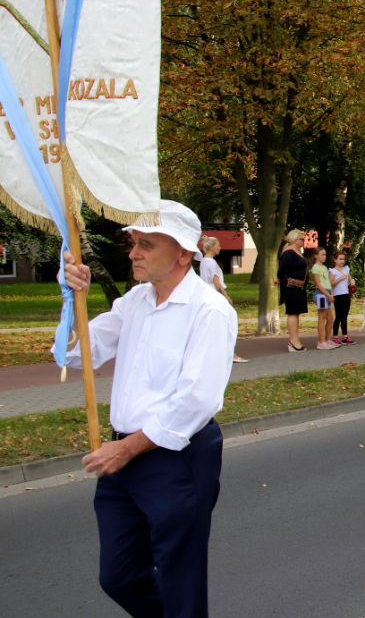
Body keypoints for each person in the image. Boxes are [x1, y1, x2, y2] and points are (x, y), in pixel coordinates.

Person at [58, 200, 237, 618]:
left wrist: (125, 449)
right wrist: (72, 299)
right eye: (133, 242)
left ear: (183, 254)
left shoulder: (210, 310)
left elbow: (196, 400)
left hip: (177, 459)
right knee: (119, 577)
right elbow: (76, 354)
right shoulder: (136, 300)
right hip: (123, 458)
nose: (133, 252)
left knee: (180, 583)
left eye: (145, 244)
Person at [198, 236, 247, 363]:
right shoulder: (211, 263)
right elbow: (217, 283)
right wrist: (226, 297)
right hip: (215, 295)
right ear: (211, 247)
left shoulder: (203, 261)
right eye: (218, 245)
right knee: (229, 321)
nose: (220, 248)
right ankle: (230, 354)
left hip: (206, 295)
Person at [278, 229, 308, 352]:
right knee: (293, 312)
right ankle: (293, 341)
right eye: (302, 239)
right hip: (291, 286)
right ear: (295, 240)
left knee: (296, 312)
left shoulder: (297, 251)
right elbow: (281, 270)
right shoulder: (289, 252)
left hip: (298, 287)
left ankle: (295, 340)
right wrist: (280, 279)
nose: (304, 241)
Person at [307, 247, 338, 350]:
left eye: (325, 255)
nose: (324, 257)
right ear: (316, 256)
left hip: (328, 292)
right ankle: (321, 341)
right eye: (322, 255)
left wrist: (331, 293)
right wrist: (328, 295)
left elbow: (328, 282)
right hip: (321, 293)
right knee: (322, 317)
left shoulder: (324, 267)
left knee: (330, 318)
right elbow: (318, 284)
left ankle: (328, 339)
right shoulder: (316, 267)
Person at [329, 251, 356, 345]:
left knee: (344, 316)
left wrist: (352, 281)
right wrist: (340, 278)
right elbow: (331, 283)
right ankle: (335, 336)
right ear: (335, 260)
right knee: (338, 316)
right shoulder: (332, 271)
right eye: (340, 259)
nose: (342, 261)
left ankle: (345, 336)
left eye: (343, 259)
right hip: (337, 295)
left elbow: (350, 279)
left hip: (346, 294)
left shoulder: (346, 269)